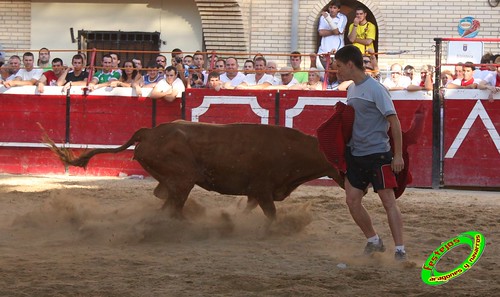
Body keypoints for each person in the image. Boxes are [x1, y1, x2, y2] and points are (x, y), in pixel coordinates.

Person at [334, 44, 406, 261]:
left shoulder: (376, 89)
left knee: (388, 202)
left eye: (339, 66)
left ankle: (400, 249)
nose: (336, 71)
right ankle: (374, 240)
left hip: (377, 154)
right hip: (357, 154)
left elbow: (394, 121)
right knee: (352, 200)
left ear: (350, 64)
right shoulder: (352, 88)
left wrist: (398, 155)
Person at [317, 0, 347, 68]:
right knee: (323, 75)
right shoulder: (323, 17)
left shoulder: (342, 17)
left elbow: (337, 31)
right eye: (330, 7)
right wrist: (334, 32)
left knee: (336, 74)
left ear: (338, 9)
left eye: (334, 8)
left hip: (337, 52)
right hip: (323, 51)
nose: (332, 10)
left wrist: (328, 18)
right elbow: (321, 32)